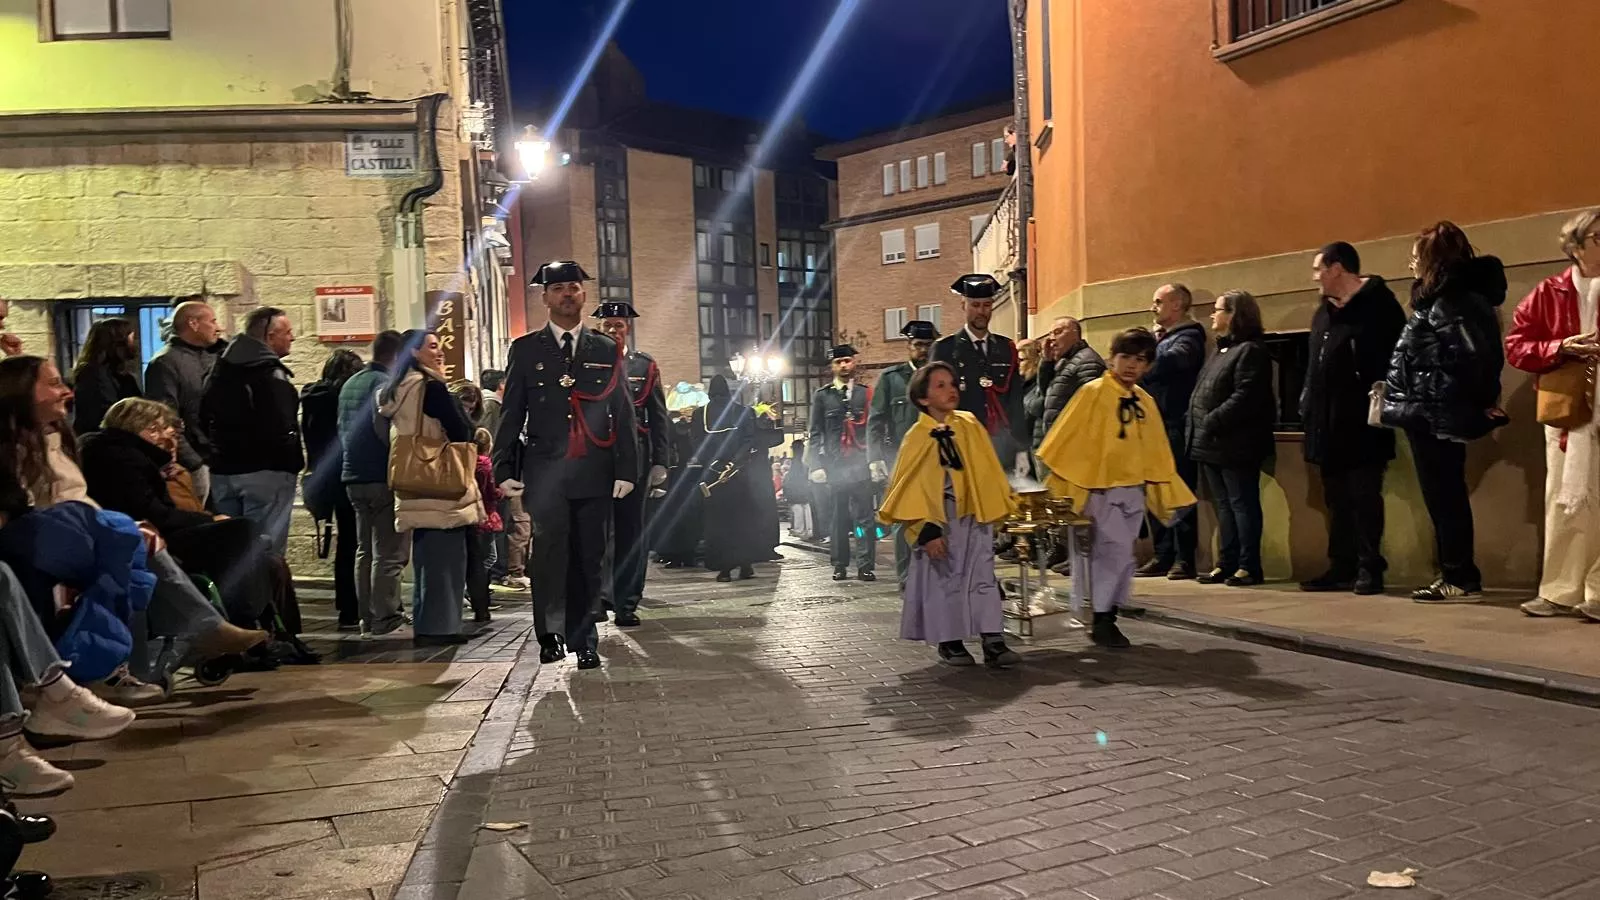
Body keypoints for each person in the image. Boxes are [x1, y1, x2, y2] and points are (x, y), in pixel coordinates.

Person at [0, 356, 267, 672]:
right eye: (54, 383)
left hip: (77, 530)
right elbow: (40, 507)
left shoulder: (57, 438)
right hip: (46, 536)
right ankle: (177, 643)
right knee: (133, 544)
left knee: (134, 552)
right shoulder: (111, 455)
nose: (67, 392)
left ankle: (138, 663)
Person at [493, 261, 638, 670]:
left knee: (590, 556)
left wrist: (627, 469)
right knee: (549, 553)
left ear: (583, 294)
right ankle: (551, 634)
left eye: (573, 287)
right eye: (558, 289)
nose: (567, 294)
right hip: (546, 471)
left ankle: (584, 638)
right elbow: (512, 413)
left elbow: (622, 412)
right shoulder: (526, 349)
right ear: (545, 297)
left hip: (594, 468)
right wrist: (504, 468)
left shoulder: (605, 348)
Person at [1037, 328, 1198, 649]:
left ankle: (1104, 612)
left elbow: (1155, 450)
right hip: (1098, 489)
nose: (1131, 365)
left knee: (1121, 556)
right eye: (1125, 357)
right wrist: (1071, 486)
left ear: (1148, 365)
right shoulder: (1093, 393)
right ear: (1112, 358)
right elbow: (1068, 439)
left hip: (1132, 489)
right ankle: (1102, 617)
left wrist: (1160, 488)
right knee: (1108, 553)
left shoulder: (1144, 401)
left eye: (1140, 360)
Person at [1380, 223, 1508, 603]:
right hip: (1432, 410)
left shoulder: (1451, 302)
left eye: (1415, 257)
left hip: (1436, 412)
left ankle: (1459, 576)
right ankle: (1455, 573)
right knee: (1443, 496)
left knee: (1445, 497)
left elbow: (1475, 357)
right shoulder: (1448, 300)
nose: (1411, 265)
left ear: (1432, 260)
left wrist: (1456, 395)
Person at [79, 398, 279, 632]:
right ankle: (245, 620)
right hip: (142, 536)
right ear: (141, 427)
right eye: (158, 428)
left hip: (143, 530)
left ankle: (260, 626)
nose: (165, 436)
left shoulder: (123, 454)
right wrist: (209, 520)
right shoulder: (123, 458)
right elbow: (153, 513)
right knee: (241, 531)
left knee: (256, 549)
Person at [878, 361, 1021, 667]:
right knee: (945, 579)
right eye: (940, 386)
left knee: (983, 576)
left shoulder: (969, 424)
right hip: (940, 520)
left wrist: (995, 506)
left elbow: (987, 469)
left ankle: (993, 638)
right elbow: (910, 485)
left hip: (974, 515)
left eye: (952, 384)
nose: (951, 390)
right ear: (923, 398)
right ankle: (950, 640)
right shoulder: (917, 436)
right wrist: (926, 529)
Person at [1506, 209, 1600, 619]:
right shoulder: (1549, 292)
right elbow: (1516, 346)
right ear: (1575, 246)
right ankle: (1560, 590)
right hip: (1568, 413)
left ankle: (1598, 593)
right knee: (1566, 501)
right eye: (1598, 238)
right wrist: (1561, 347)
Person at [1300, 242, 1407, 595]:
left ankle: (1369, 567)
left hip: (1363, 423)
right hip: (1326, 421)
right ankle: (1341, 565)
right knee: (1336, 499)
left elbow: (1396, 360)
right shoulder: (1323, 313)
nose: (1314, 277)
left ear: (1337, 269)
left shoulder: (1379, 307)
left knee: (1364, 497)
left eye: (1318, 269)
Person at [379, 330, 480, 646]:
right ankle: (441, 628)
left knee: (426, 558)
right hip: (439, 476)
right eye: (433, 347)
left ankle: (426, 624)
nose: (440, 352)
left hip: (413, 477)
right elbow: (461, 429)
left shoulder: (397, 388)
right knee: (446, 559)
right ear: (414, 352)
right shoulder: (430, 387)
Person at [1186, 291, 1276, 587]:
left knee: (1242, 504)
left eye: (1218, 309)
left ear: (1235, 314)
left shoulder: (1250, 350)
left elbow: (1246, 395)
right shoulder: (1220, 350)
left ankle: (1249, 566)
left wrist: (1213, 419)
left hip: (1236, 443)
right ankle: (1227, 562)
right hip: (1211, 442)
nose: (1213, 315)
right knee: (1224, 506)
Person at [201, 306, 303, 559]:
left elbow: (202, 415)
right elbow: (282, 423)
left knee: (230, 549)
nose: (292, 338)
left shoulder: (219, 371)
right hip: (267, 472)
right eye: (287, 332)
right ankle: (264, 587)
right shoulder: (270, 373)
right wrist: (290, 460)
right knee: (264, 549)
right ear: (270, 337)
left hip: (224, 471)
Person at [595, 301, 669, 627]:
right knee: (595, 531)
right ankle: (598, 598)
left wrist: (661, 462)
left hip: (635, 457)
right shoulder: (586, 364)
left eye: (619, 325)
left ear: (627, 328)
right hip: (595, 457)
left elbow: (659, 416)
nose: (613, 330)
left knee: (631, 532)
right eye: (607, 325)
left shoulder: (644, 365)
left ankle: (626, 602)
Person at [337, 331, 409, 638]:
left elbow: (342, 428)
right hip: (380, 475)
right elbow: (385, 431)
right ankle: (386, 618)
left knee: (364, 550)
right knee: (389, 553)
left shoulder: (350, 383)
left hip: (353, 475)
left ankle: (365, 617)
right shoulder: (384, 384)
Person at [1136, 283, 1206, 581]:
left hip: (1174, 425)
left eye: (1158, 301)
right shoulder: (1160, 339)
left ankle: (1183, 558)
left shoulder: (1189, 337)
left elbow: (1167, 365)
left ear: (1177, 305)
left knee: (1178, 492)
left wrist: (1144, 353)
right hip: (1152, 426)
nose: (1153, 307)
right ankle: (1162, 553)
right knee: (1154, 492)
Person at [932, 274, 1030, 472]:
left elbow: (1015, 403)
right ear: (963, 305)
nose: (981, 311)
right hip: (961, 444)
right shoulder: (945, 349)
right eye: (975, 305)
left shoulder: (1006, 348)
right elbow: (934, 402)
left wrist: (1021, 449)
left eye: (987, 305)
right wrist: (942, 446)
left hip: (1001, 447)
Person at [870, 320, 938, 587]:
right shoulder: (892, 379)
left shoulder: (941, 378)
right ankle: (907, 576)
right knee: (904, 516)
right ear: (908, 346)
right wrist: (874, 458)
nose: (923, 350)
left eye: (928, 345)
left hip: (937, 457)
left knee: (938, 514)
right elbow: (876, 420)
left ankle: (934, 572)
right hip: (901, 458)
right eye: (918, 345)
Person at [299, 349, 364, 629]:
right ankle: (355, 605)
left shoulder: (312, 398)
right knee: (357, 541)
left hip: (323, 476)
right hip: (348, 473)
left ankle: (346, 607)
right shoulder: (343, 399)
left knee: (345, 542)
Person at [694, 376, 775, 581]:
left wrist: (715, 465)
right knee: (744, 520)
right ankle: (745, 564)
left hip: (713, 478)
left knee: (719, 522)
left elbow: (696, 444)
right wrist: (734, 464)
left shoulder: (699, 414)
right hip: (741, 475)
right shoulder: (744, 412)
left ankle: (724, 568)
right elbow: (749, 441)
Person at [144, 299, 225, 505]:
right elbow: (165, 419)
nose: (218, 328)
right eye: (212, 321)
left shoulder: (214, 357)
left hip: (218, 460)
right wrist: (194, 463)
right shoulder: (165, 363)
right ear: (193, 324)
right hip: (195, 463)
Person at [807, 345, 877, 582]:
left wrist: (875, 461)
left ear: (854, 363)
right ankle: (839, 565)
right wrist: (816, 465)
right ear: (832, 366)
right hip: (835, 465)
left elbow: (874, 429)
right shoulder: (822, 396)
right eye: (838, 362)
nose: (844, 365)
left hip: (860, 464)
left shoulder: (865, 394)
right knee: (838, 518)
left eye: (847, 360)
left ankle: (865, 565)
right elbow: (815, 432)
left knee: (865, 518)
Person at [1036, 316, 1105, 469]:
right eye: (1050, 334)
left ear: (1075, 333)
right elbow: (1044, 392)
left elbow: (1092, 410)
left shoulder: (1088, 361)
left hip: (1074, 451)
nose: (1051, 339)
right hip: (1059, 446)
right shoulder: (1064, 362)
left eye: (1058, 332)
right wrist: (1046, 362)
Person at [69, 318, 142, 437]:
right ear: (118, 342)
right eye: (132, 337)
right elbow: (107, 414)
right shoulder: (92, 373)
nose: (135, 342)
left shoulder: (120, 375)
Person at [466, 427, 501, 625]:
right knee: (488, 558)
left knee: (477, 558)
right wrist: (502, 493)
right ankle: (475, 591)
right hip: (486, 515)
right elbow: (490, 492)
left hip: (471, 516)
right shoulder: (486, 464)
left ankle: (476, 594)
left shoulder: (468, 462)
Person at [783, 438, 813, 539]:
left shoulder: (795, 461)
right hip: (805, 487)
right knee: (806, 508)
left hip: (797, 488)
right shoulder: (805, 460)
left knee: (798, 508)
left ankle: (800, 530)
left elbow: (791, 477)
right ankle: (809, 530)